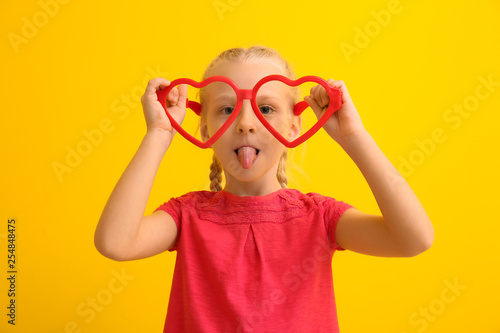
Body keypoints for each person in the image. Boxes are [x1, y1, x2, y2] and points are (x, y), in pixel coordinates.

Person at [94, 46, 434, 332]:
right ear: (203, 127)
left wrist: (354, 138)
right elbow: (115, 242)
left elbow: (413, 238)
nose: (245, 123)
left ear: (295, 124)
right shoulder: (188, 215)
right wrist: (159, 134)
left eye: (266, 108)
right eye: (226, 109)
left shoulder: (320, 218)